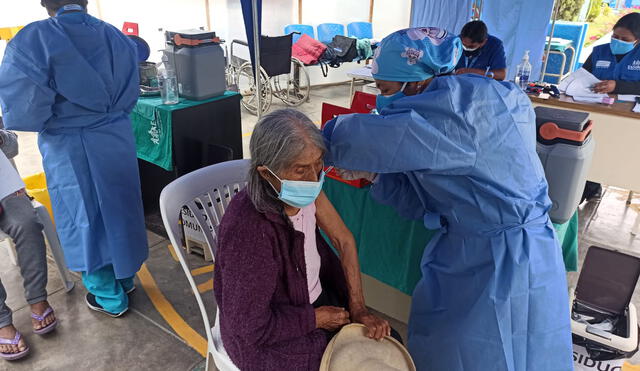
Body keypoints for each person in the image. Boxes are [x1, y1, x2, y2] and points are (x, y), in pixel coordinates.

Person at [322, 27, 573, 370]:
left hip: (502, 263)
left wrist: (310, 139)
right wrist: (378, 175)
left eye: (384, 88)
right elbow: (435, 196)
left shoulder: (452, 115)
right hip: (500, 248)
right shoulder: (495, 94)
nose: (380, 98)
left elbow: (351, 138)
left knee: (482, 355)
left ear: (415, 81)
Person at [214, 109, 400, 370]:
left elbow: (344, 239)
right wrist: (314, 319)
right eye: (301, 170)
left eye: (318, 165)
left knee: (387, 343)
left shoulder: (306, 191)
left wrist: (358, 308)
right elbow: (248, 327)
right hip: (270, 333)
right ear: (267, 174)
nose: (315, 180)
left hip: (312, 301)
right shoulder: (249, 231)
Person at [0, 0, 148, 317]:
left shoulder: (34, 40)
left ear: (44, 3)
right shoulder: (116, 36)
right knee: (120, 207)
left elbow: (25, 110)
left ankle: (108, 294)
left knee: (85, 215)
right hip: (115, 138)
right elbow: (132, 91)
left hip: (70, 144)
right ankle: (126, 278)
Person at [0, 128, 57, 361]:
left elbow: (13, 146)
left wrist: (2, 138)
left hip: (4, 189)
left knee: (27, 224)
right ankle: (2, 321)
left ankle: (37, 298)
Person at [580, 12, 640, 202]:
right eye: (615, 36)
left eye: (624, 39)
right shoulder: (599, 52)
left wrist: (618, 86)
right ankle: (589, 186)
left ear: (637, 40)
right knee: (591, 150)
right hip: (596, 110)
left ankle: (596, 184)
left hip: (628, 118)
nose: (618, 41)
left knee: (616, 152)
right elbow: (582, 76)